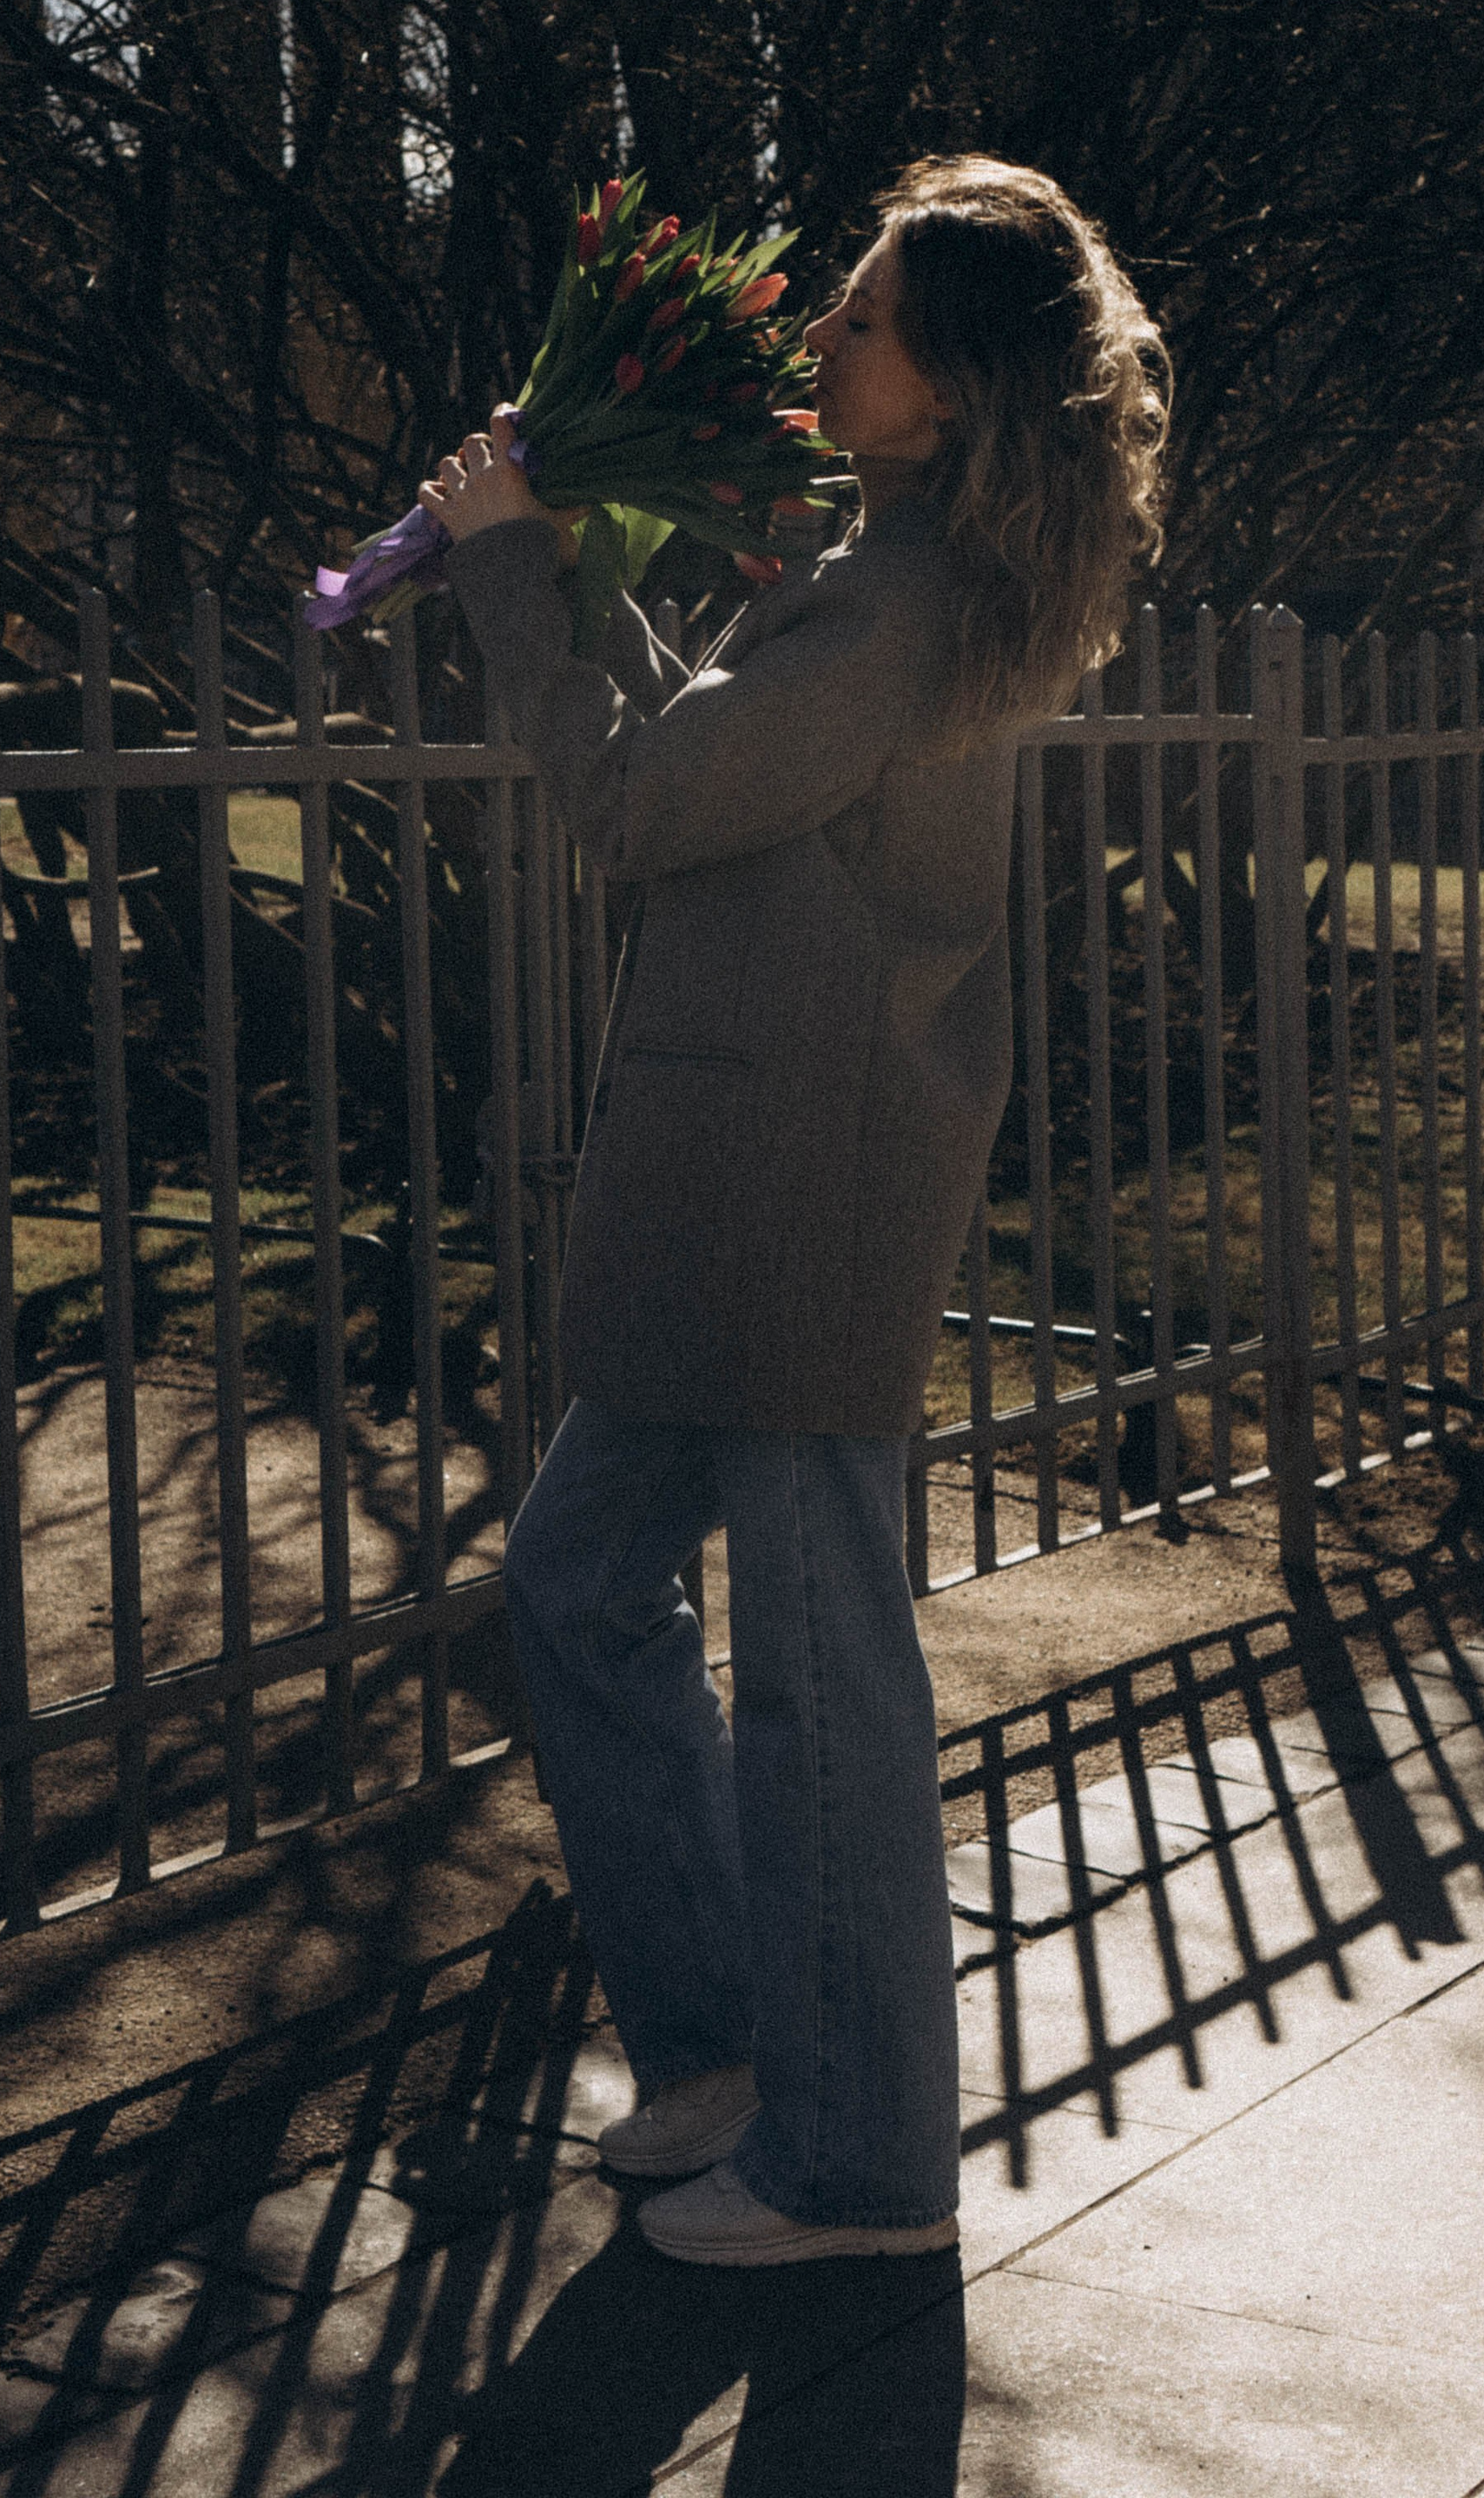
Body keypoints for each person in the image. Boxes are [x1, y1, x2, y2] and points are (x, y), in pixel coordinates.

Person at [419, 154, 1168, 2267]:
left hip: (799, 1178)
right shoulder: (889, 571)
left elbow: (639, 803)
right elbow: (718, 753)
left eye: (857, 314)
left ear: (949, 385)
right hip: (754, 1162)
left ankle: (852, 2167)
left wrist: (499, 573)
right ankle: (730, 2050)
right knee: (580, 1588)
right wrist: (558, 558)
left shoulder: (903, 601)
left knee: (817, 1678)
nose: (817, 335)